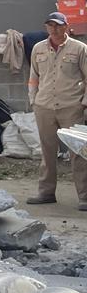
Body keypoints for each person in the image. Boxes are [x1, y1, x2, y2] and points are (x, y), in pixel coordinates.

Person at [27, 11, 87, 210]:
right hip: (44, 107)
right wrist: (33, 100)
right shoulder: (38, 48)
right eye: (50, 25)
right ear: (46, 27)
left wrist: (84, 103)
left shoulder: (79, 48)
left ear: (66, 26)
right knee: (47, 151)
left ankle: (85, 197)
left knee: (78, 152)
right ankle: (46, 193)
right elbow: (33, 77)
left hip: (71, 107)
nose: (54, 29)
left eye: (58, 25)